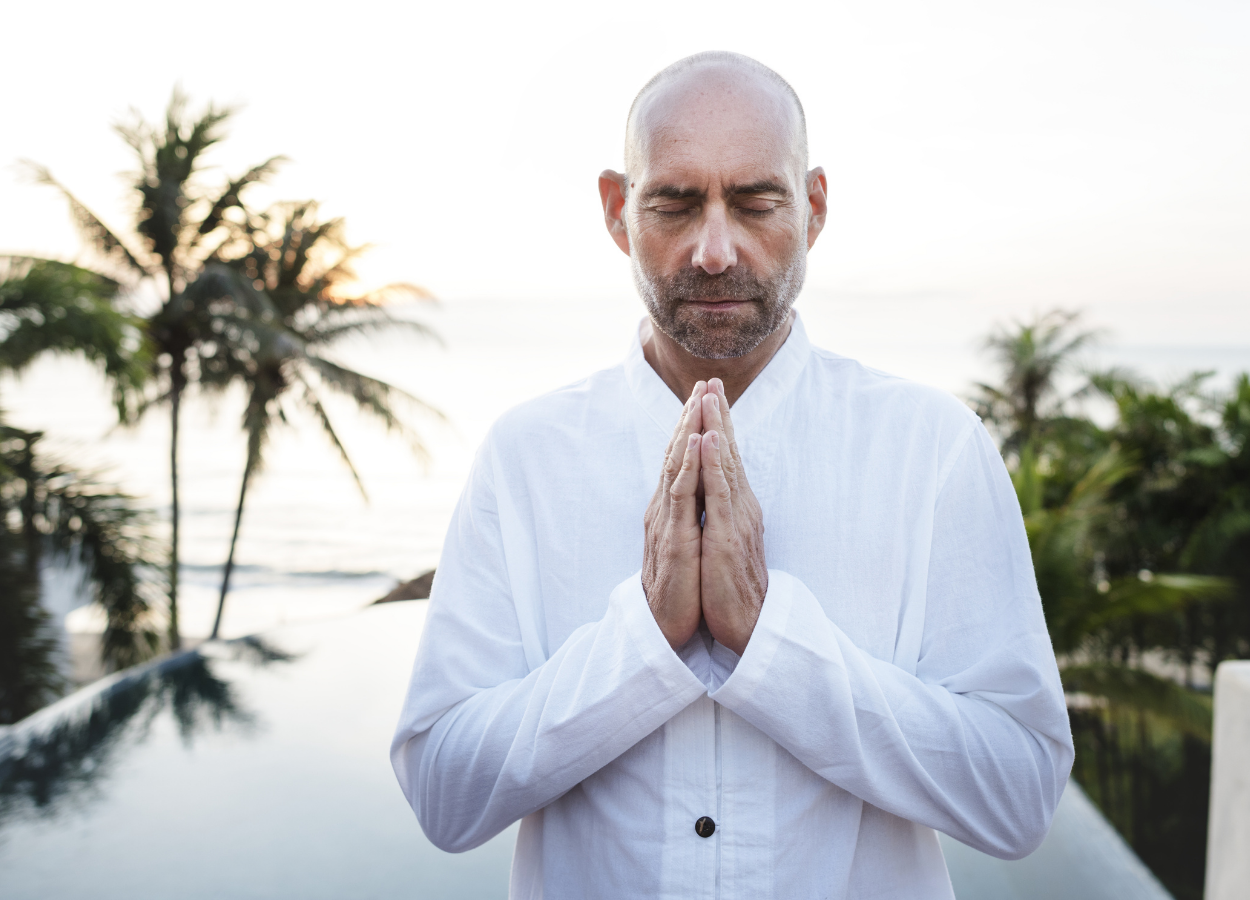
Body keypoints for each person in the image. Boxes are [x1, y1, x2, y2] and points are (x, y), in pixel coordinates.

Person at [391, 51, 1073, 898]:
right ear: (617, 210)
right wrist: (641, 639)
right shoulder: (526, 455)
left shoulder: (933, 450)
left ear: (814, 207)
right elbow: (443, 794)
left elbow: (1018, 795)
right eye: (674, 204)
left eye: (756, 202)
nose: (715, 251)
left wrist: (771, 640)